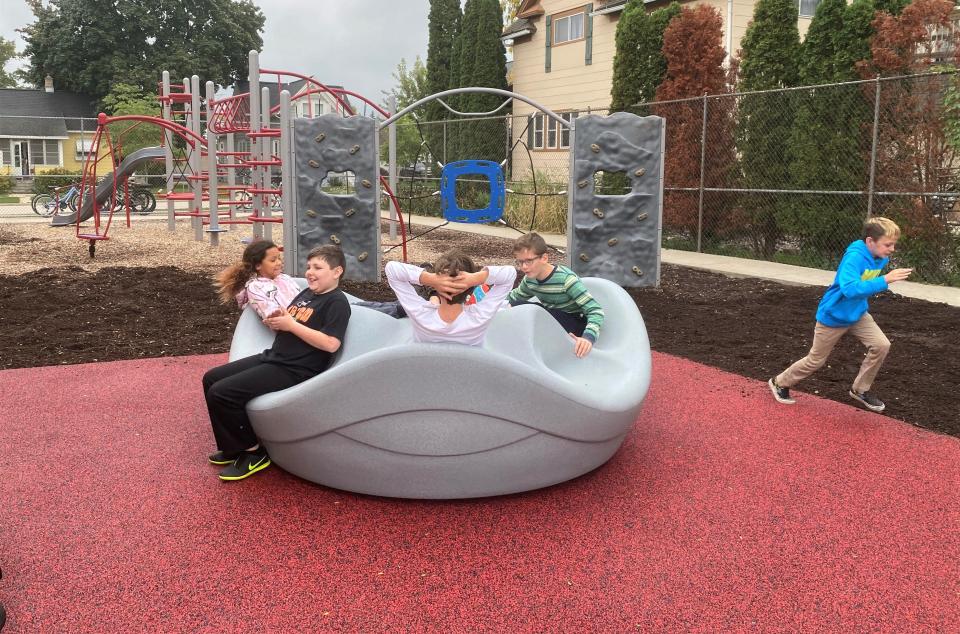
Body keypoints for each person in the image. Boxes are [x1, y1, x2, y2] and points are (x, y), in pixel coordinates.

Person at [202, 245, 351, 481]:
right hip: (276, 357)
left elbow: (331, 344)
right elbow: (291, 319)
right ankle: (233, 447)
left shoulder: (336, 302)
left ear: (337, 271)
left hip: (297, 368)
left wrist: (291, 326)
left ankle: (254, 453)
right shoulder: (308, 294)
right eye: (309, 266)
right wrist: (279, 321)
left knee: (223, 393)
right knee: (211, 378)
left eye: (318, 267)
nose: (310, 272)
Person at [768, 217, 913, 413]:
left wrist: (882, 280)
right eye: (888, 244)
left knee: (881, 345)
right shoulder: (854, 258)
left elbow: (862, 288)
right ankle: (780, 382)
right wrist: (885, 280)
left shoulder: (881, 257)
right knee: (816, 360)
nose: (892, 249)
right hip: (833, 316)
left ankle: (859, 389)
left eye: (894, 244)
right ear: (870, 241)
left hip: (858, 313)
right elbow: (850, 289)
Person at [384, 250, 517, 346]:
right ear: (471, 288)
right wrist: (477, 278)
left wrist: (430, 279)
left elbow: (391, 269)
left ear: (435, 286)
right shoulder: (480, 317)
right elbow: (510, 274)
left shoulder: (420, 314)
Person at [508, 232, 604, 358]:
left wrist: (588, 337)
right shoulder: (530, 279)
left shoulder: (566, 280)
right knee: (514, 305)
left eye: (529, 261)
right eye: (520, 262)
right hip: (552, 315)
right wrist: (488, 302)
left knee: (546, 316)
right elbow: (515, 297)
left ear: (544, 258)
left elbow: (596, 311)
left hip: (573, 320)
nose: (524, 267)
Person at [214, 240, 301, 319]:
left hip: (304, 318)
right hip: (290, 327)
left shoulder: (284, 278)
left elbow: (301, 296)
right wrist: (275, 314)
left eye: (279, 258)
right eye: (273, 260)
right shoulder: (255, 287)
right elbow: (268, 309)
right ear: (258, 265)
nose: (279, 262)